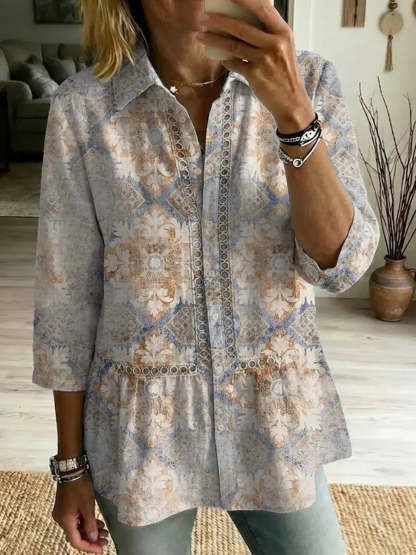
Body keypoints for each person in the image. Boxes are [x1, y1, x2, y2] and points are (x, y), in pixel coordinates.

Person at [31, 0, 380, 554]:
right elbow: (66, 302)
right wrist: (70, 467)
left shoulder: (309, 81)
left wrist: (294, 115)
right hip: (140, 433)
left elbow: (341, 264)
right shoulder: (84, 107)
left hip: (277, 420)